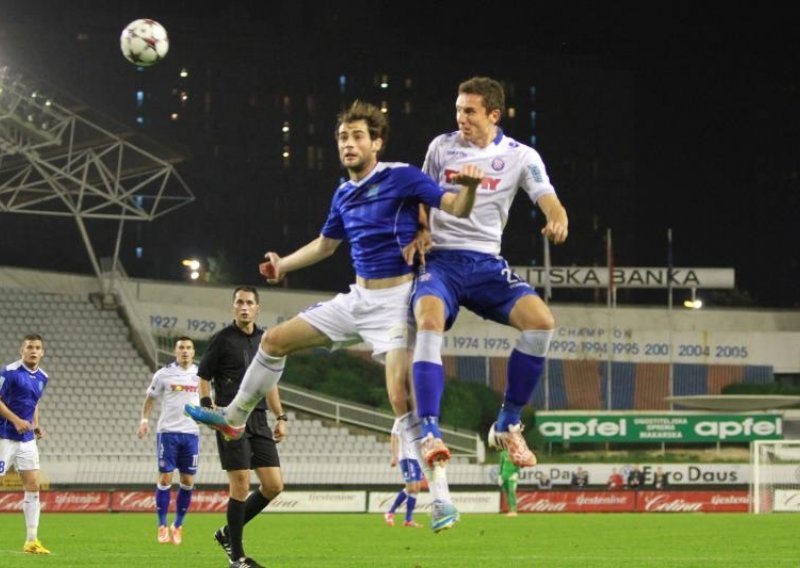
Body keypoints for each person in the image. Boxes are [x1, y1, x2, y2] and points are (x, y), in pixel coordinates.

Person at [185, 100, 483, 533]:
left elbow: (455, 207)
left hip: (398, 303)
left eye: (358, 135)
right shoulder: (343, 193)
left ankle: (441, 499)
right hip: (357, 299)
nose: (349, 143)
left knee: (403, 400)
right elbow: (326, 245)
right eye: (343, 136)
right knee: (273, 342)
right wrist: (283, 265)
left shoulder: (400, 176)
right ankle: (234, 417)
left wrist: (470, 188)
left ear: (376, 142)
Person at [408, 76, 568, 480]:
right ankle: (429, 429)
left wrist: (557, 215)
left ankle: (508, 423)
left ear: (493, 115)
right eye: (458, 109)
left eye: (470, 111)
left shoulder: (520, 155)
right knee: (428, 321)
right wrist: (422, 228)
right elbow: (421, 195)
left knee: (542, 323)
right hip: (441, 262)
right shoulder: (441, 147)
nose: (460, 117)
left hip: (486, 265)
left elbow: (544, 193)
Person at [196, 286, 287, 568]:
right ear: (233, 307)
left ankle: (227, 533)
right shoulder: (221, 340)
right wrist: (207, 404)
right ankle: (237, 558)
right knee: (241, 484)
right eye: (239, 302)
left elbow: (269, 384)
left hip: (258, 418)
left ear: (257, 307)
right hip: (231, 419)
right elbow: (203, 375)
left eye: (249, 302)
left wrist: (280, 417)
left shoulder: (265, 339)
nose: (244, 307)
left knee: (273, 486)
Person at [136, 336, 200, 545]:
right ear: (175, 351)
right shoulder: (163, 374)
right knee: (165, 479)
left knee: (188, 481)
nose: (185, 351)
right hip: (168, 432)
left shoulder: (201, 374)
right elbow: (150, 398)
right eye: (181, 347)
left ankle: (178, 525)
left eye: (188, 348)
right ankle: (162, 525)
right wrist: (144, 420)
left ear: (193, 352)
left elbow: (209, 400)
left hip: (191, 433)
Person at [0, 334, 50, 554]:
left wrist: (35, 424)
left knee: (33, 486)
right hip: (4, 437)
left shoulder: (42, 376)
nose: (33, 351)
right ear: (22, 350)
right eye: (30, 347)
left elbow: (34, 403)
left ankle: (31, 540)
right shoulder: (9, 372)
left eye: (37, 347)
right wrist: (15, 420)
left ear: (42, 352)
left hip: (27, 440)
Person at [384, 412, 424, 528]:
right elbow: (394, 436)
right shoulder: (401, 419)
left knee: (416, 488)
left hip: (417, 458)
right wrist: (394, 455)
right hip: (406, 457)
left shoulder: (418, 419)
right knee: (411, 487)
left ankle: (408, 520)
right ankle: (390, 512)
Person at [497, 449, 521, 516]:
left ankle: (514, 510)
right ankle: (510, 510)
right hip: (504, 476)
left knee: (512, 492)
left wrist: (516, 473)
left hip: (512, 476)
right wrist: (500, 475)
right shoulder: (503, 454)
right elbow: (501, 465)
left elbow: (518, 464)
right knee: (506, 493)